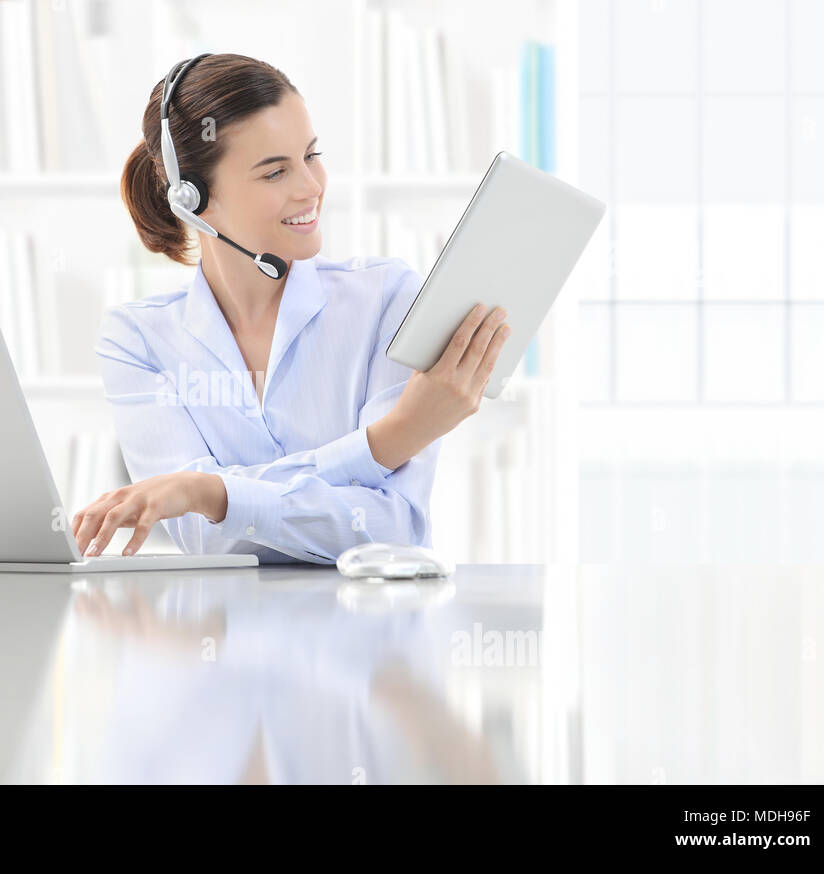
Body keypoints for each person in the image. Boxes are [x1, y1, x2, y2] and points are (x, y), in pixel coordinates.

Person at [72, 53, 510, 563]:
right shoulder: (138, 339)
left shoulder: (388, 299)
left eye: (311, 155)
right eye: (275, 172)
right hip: (221, 634)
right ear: (192, 201)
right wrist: (389, 440)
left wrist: (208, 492)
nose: (311, 187)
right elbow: (199, 535)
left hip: (371, 632)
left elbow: (392, 530)